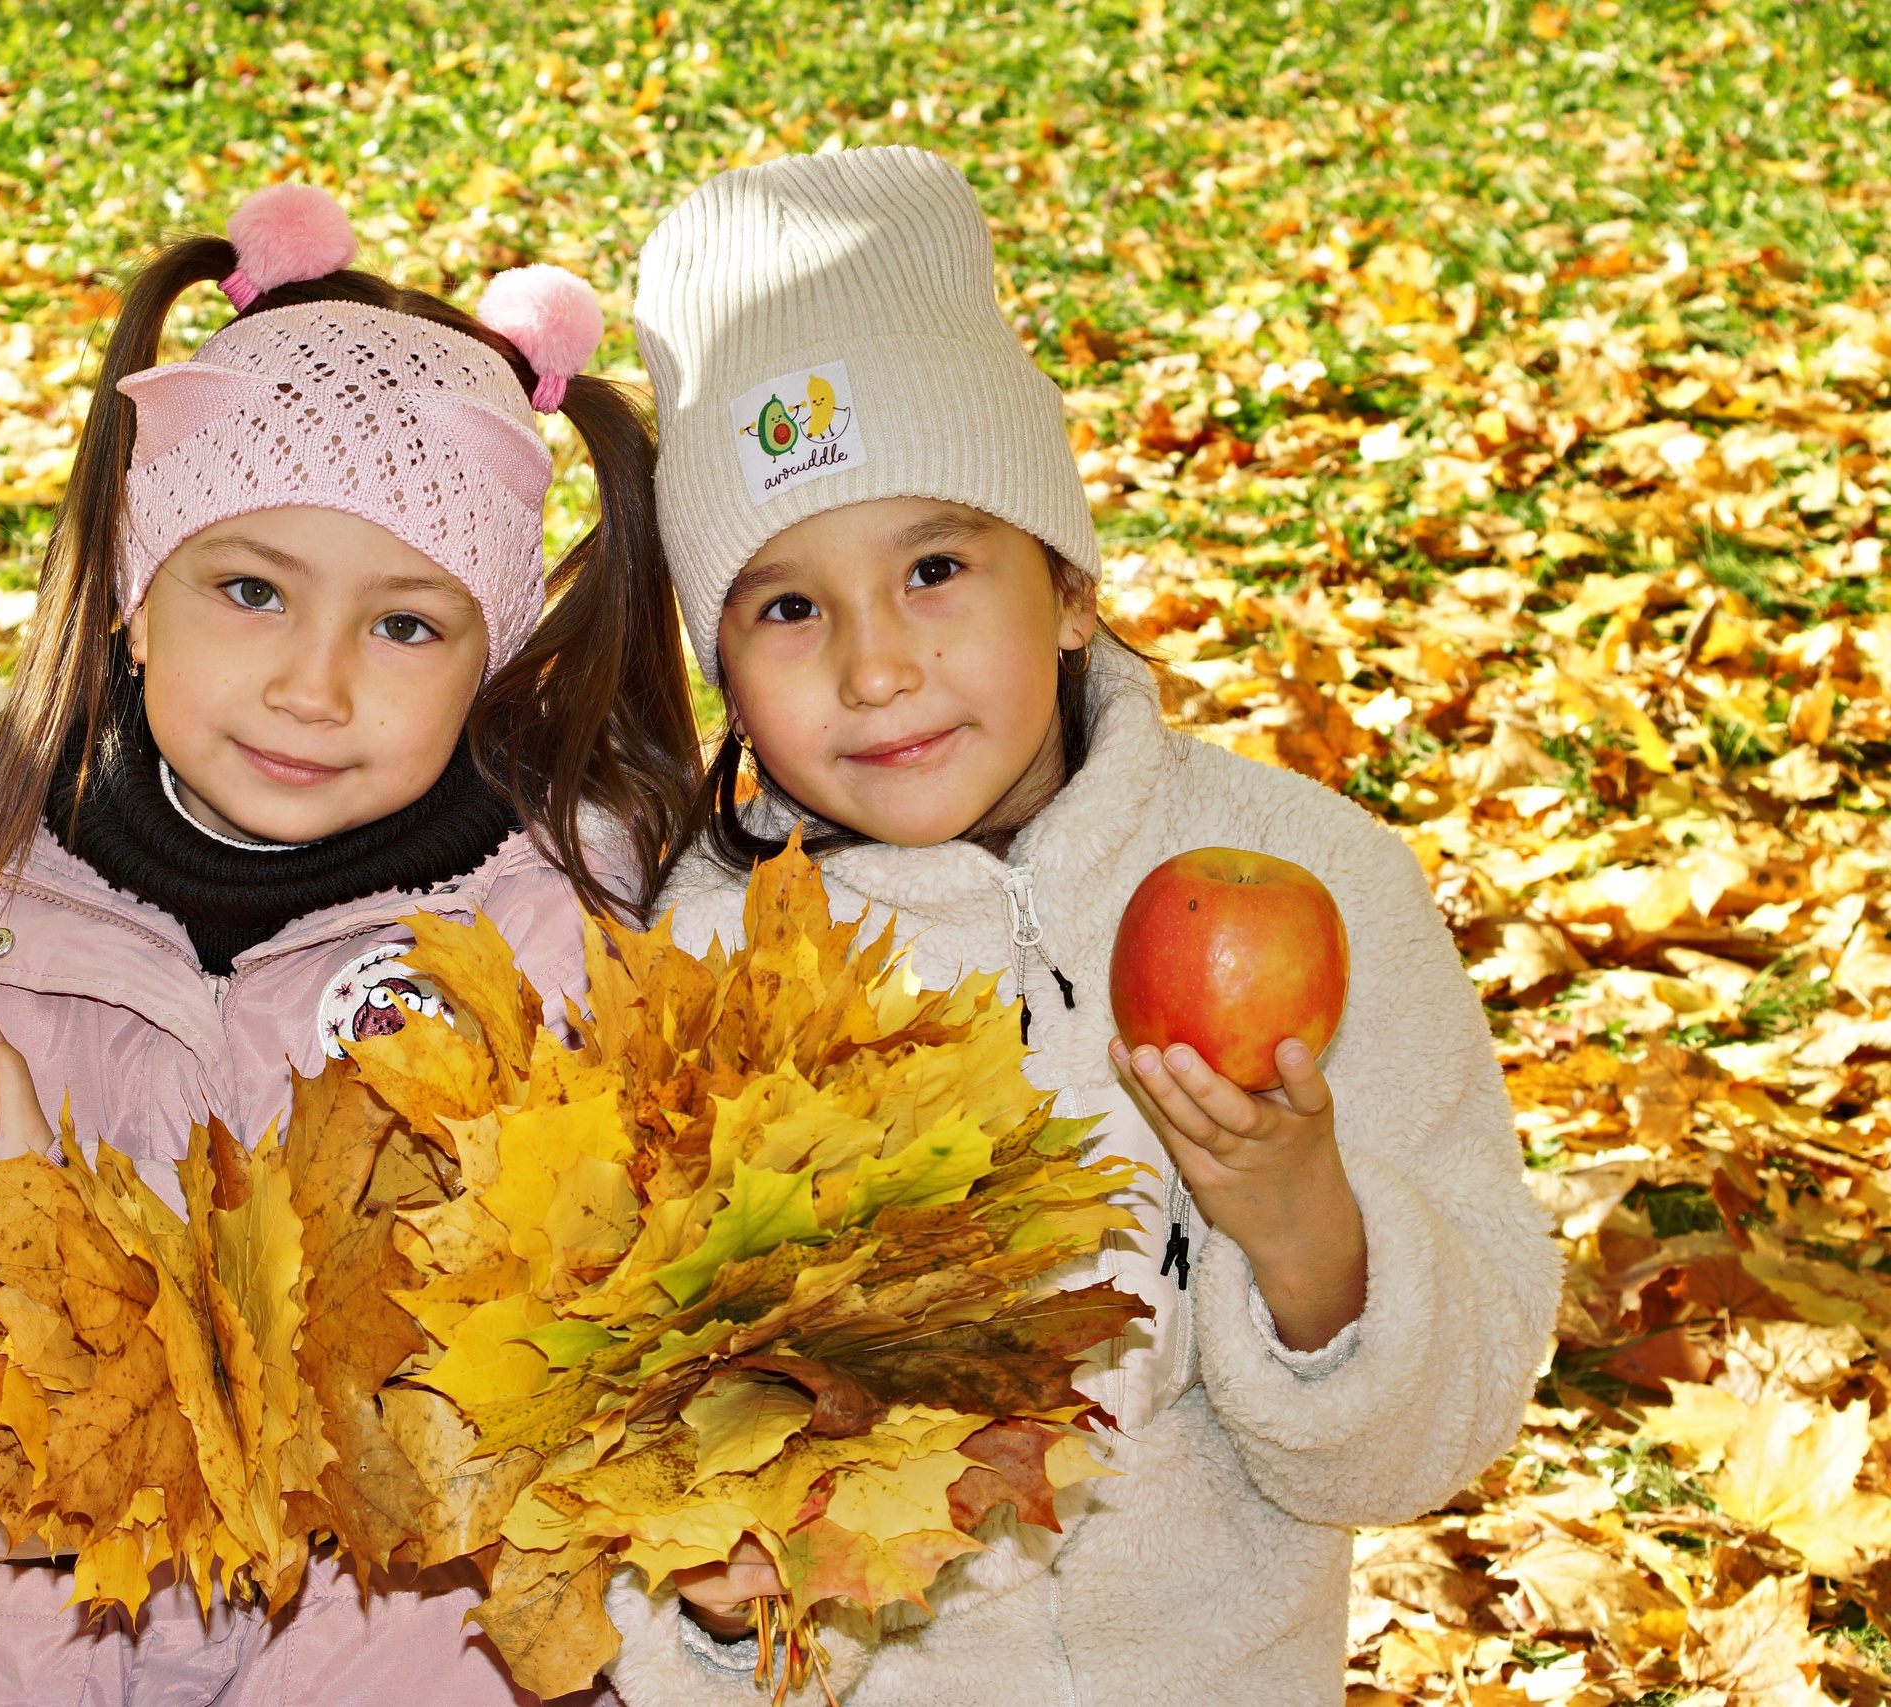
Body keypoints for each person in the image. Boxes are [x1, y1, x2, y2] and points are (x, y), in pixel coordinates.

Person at [604, 146, 1562, 1705]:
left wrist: (1303, 1224)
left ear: (1067, 589)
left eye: (935, 568)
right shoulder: (714, 970)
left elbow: (1424, 1449)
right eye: (787, 607)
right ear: (722, 668)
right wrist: (721, 1608)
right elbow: (641, 1457)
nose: (875, 667)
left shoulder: (1311, 876)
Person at [0, 184, 699, 1706]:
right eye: (252, 590)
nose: (312, 687)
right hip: (39, 1658)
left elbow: (546, 1429)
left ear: (491, 662)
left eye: (405, 625)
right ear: (138, 601)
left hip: (408, 1657)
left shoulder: (557, 946)